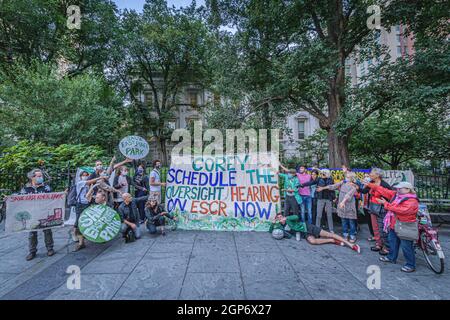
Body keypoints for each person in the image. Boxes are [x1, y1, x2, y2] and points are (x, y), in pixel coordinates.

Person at [364, 182, 419, 272]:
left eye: (400, 188)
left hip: (405, 225)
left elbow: (401, 210)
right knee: (392, 241)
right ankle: (391, 257)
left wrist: (386, 204)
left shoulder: (412, 200)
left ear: (408, 189)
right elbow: (382, 190)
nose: (398, 190)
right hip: (395, 224)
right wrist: (369, 184)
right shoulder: (396, 195)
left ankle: (410, 265)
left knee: (406, 246)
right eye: (397, 188)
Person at [269, 213, 360, 253]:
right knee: (313, 241)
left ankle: (351, 245)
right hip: (305, 234)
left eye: (281, 216)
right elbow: (271, 231)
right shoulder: (281, 227)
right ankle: (332, 241)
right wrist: (272, 224)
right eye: (279, 218)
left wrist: (287, 218)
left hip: (308, 227)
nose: (281, 218)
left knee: (329, 233)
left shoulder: (289, 219)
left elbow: (296, 216)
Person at [20, 169, 55, 261]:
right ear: (32, 177)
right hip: (32, 214)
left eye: (41, 176)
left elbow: (54, 198)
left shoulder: (46, 188)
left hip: (44, 213)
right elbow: (19, 199)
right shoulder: (26, 189)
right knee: (32, 233)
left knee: (47, 231)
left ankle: (50, 249)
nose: (41, 178)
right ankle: (32, 251)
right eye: (38, 176)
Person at [317, 172, 358, 243]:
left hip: (349, 207)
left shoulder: (353, 186)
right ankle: (345, 234)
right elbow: (333, 186)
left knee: (351, 222)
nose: (346, 178)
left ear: (352, 178)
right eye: (346, 177)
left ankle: (352, 235)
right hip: (342, 207)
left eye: (348, 177)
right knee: (344, 221)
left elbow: (348, 195)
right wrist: (323, 188)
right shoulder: (342, 183)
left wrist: (343, 202)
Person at [73, 170, 108, 251]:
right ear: (80, 176)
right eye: (83, 175)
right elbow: (89, 181)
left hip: (88, 204)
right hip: (80, 205)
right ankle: (81, 243)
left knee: (92, 221)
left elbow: (90, 195)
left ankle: (97, 237)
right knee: (79, 223)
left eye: (86, 175)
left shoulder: (89, 185)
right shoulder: (80, 183)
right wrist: (101, 177)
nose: (85, 176)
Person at [361, 168, 393, 255]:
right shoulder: (371, 182)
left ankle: (386, 246)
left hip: (382, 209)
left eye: (372, 173)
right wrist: (356, 187)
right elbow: (364, 191)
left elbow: (390, 197)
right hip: (373, 207)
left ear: (377, 175)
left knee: (383, 228)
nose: (370, 174)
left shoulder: (384, 184)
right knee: (375, 227)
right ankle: (379, 244)